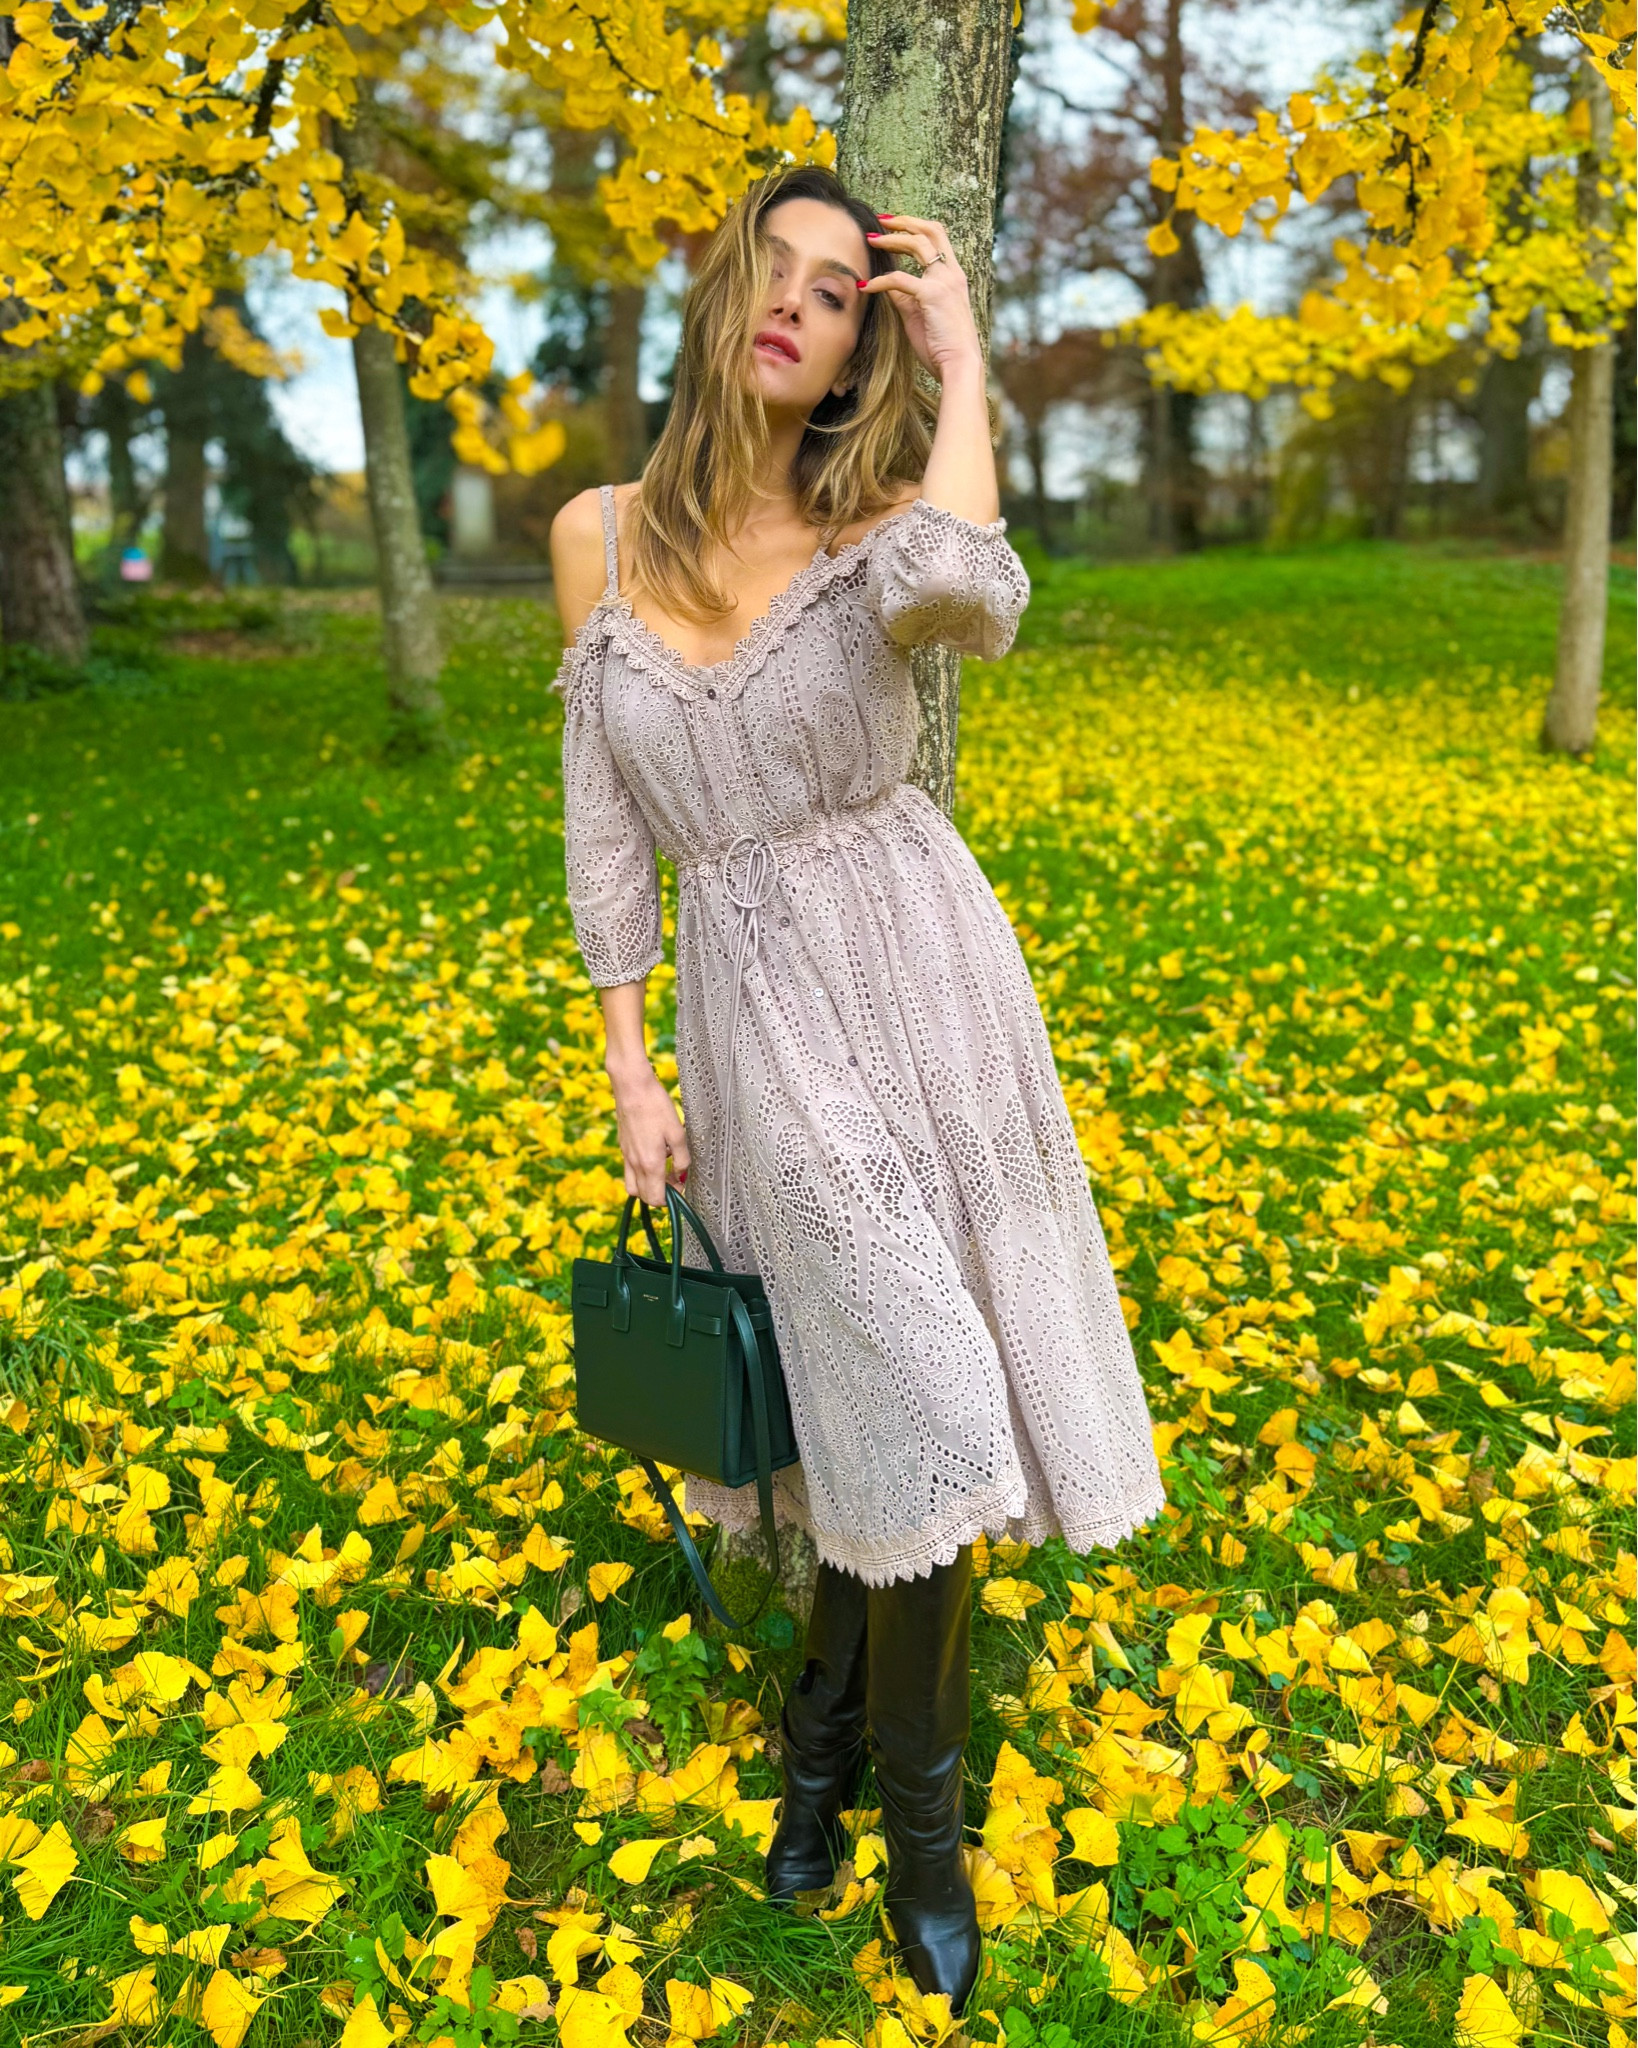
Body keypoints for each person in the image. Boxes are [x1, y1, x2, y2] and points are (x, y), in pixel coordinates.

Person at [549, 164, 1166, 2015]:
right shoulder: (597, 535)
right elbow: (597, 818)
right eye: (783, 269)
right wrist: (624, 1060)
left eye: (845, 293)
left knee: (913, 1388)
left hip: (928, 983)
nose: (803, 305)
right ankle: (874, 1780)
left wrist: (960, 352)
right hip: (757, 1019)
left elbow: (977, 601)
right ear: (728, 285)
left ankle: (877, 1796)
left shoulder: (876, 516)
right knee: (901, 1372)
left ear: (849, 353)